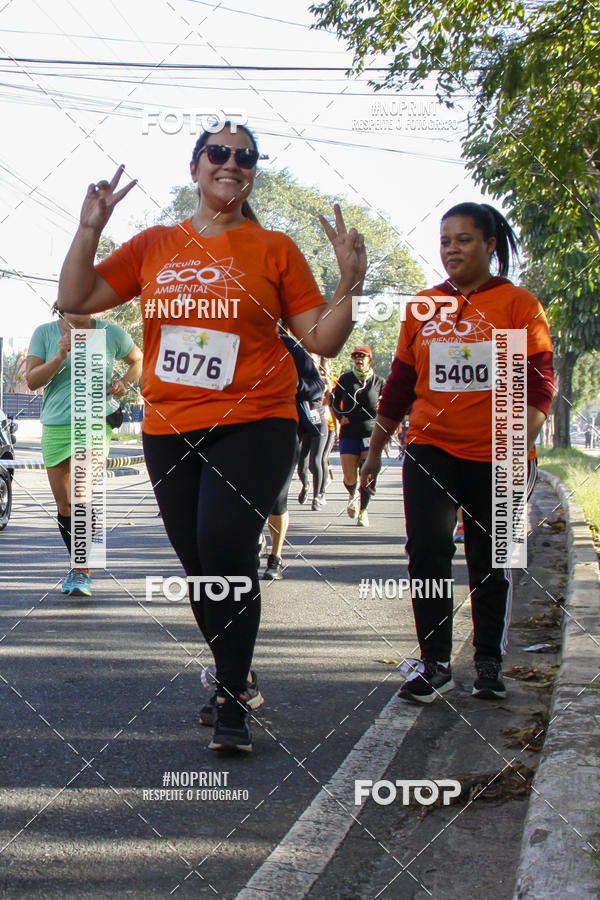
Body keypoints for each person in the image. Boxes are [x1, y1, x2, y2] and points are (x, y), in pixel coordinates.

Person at [56, 123, 366, 752]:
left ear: (252, 172)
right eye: (218, 153)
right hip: (169, 427)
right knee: (201, 567)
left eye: (245, 157)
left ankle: (228, 699)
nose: (232, 163)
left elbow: (323, 339)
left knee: (223, 543)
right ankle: (238, 672)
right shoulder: (153, 244)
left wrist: (348, 283)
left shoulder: (275, 248)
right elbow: (75, 298)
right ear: (195, 167)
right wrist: (89, 228)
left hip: (257, 420)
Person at [361, 202, 554, 703]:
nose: (452, 249)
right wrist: (375, 449)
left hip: (501, 454)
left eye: (464, 239)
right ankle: (435, 663)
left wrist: (519, 443)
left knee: (493, 557)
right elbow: (400, 387)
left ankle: (488, 660)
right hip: (431, 448)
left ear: (490, 245)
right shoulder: (424, 306)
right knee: (427, 550)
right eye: (445, 240)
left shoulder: (517, 305)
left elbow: (538, 387)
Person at [26, 305, 142, 596]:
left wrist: (124, 383)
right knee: (65, 505)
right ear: (61, 303)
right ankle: (78, 563)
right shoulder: (45, 333)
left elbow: (138, 360)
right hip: (55, 426)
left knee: (80, 494)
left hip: (92, 424)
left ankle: (81, 570)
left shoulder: (110, 333)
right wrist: (60, 355)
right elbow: (32, 380)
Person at [263, 331, 324, 580]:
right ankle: (255, 536)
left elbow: (316, 386)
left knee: (276, 499)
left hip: (281, 431)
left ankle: (275, 558)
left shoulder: (287, 346)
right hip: (236, 433)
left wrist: (288, 382)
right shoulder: (227, 339)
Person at [331, 345, 384, 526]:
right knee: (350, 477)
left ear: (370, 359)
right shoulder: (345, 379)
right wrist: (340, 416)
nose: (358, 359)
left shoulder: (378, 382)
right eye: (355, 357)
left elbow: (390, 403)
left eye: (362, 356)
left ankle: (363, 511)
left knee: (367, 475)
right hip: (349, 432)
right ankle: (352, 493)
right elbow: (333, 401)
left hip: (370, 432)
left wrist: (382, 408)